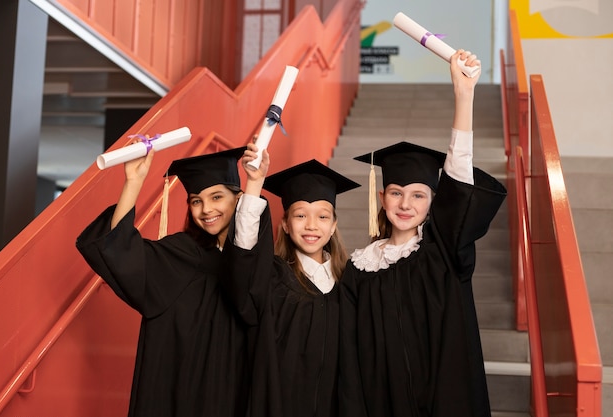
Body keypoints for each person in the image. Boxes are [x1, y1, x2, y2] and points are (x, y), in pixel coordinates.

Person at [339, 50, 508, 417]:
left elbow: (460, 179)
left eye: (419, 195)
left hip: (443, 402)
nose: (405, 204)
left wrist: (464, 95)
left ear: (434, 202)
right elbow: (350, 353)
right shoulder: (359, 270)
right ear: (381, 198)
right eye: (396, 193)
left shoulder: (444, 253)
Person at [75, 145, 249, 417]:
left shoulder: (254, 266)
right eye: (196, 201)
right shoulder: (183, 254)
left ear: (239, 199)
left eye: (217, 197)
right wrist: (133, 182)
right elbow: (121, 251)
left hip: (233, 388)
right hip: (178, 393)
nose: (206, 209)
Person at [219, 148, 360, 417]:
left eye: (322, 216)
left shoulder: (350, 283)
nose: (311, 225)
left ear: (333, 226)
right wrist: (254, 184)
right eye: (300, 215)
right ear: (284, 224)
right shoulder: (271, 277)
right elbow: (243, 263)